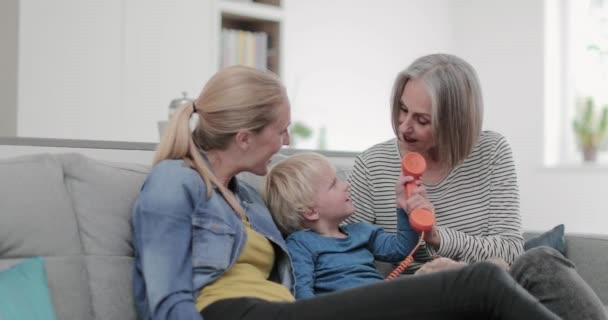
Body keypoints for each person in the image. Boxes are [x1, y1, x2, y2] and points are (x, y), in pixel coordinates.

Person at [131, 65, 563, 320]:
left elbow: (336, 238)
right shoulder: (176, 181)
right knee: (482, 282)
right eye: (280, 131)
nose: (285, 143)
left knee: (502, 279)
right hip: (240, 313)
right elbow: (166, 299)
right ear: (244, 138)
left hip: (282, 310)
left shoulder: (246, 199)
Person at [344, 53, 607, 319]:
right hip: (422, 299)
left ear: (453, 123)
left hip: (490, 289)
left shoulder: (492, 151)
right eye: (402, 109)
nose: (404, 127)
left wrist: (438, 237)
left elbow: (510, 249)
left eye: (422, 120)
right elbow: (344, 250)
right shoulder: (371, 165)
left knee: (541, 260)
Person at [264, 152, 419, 299]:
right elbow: (301, 290)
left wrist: (403, 207)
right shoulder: (300, 243)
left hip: (381, 301)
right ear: (311, 212)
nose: (345, 185)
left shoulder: (363, 231)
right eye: (333, 184)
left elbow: (402, 249)